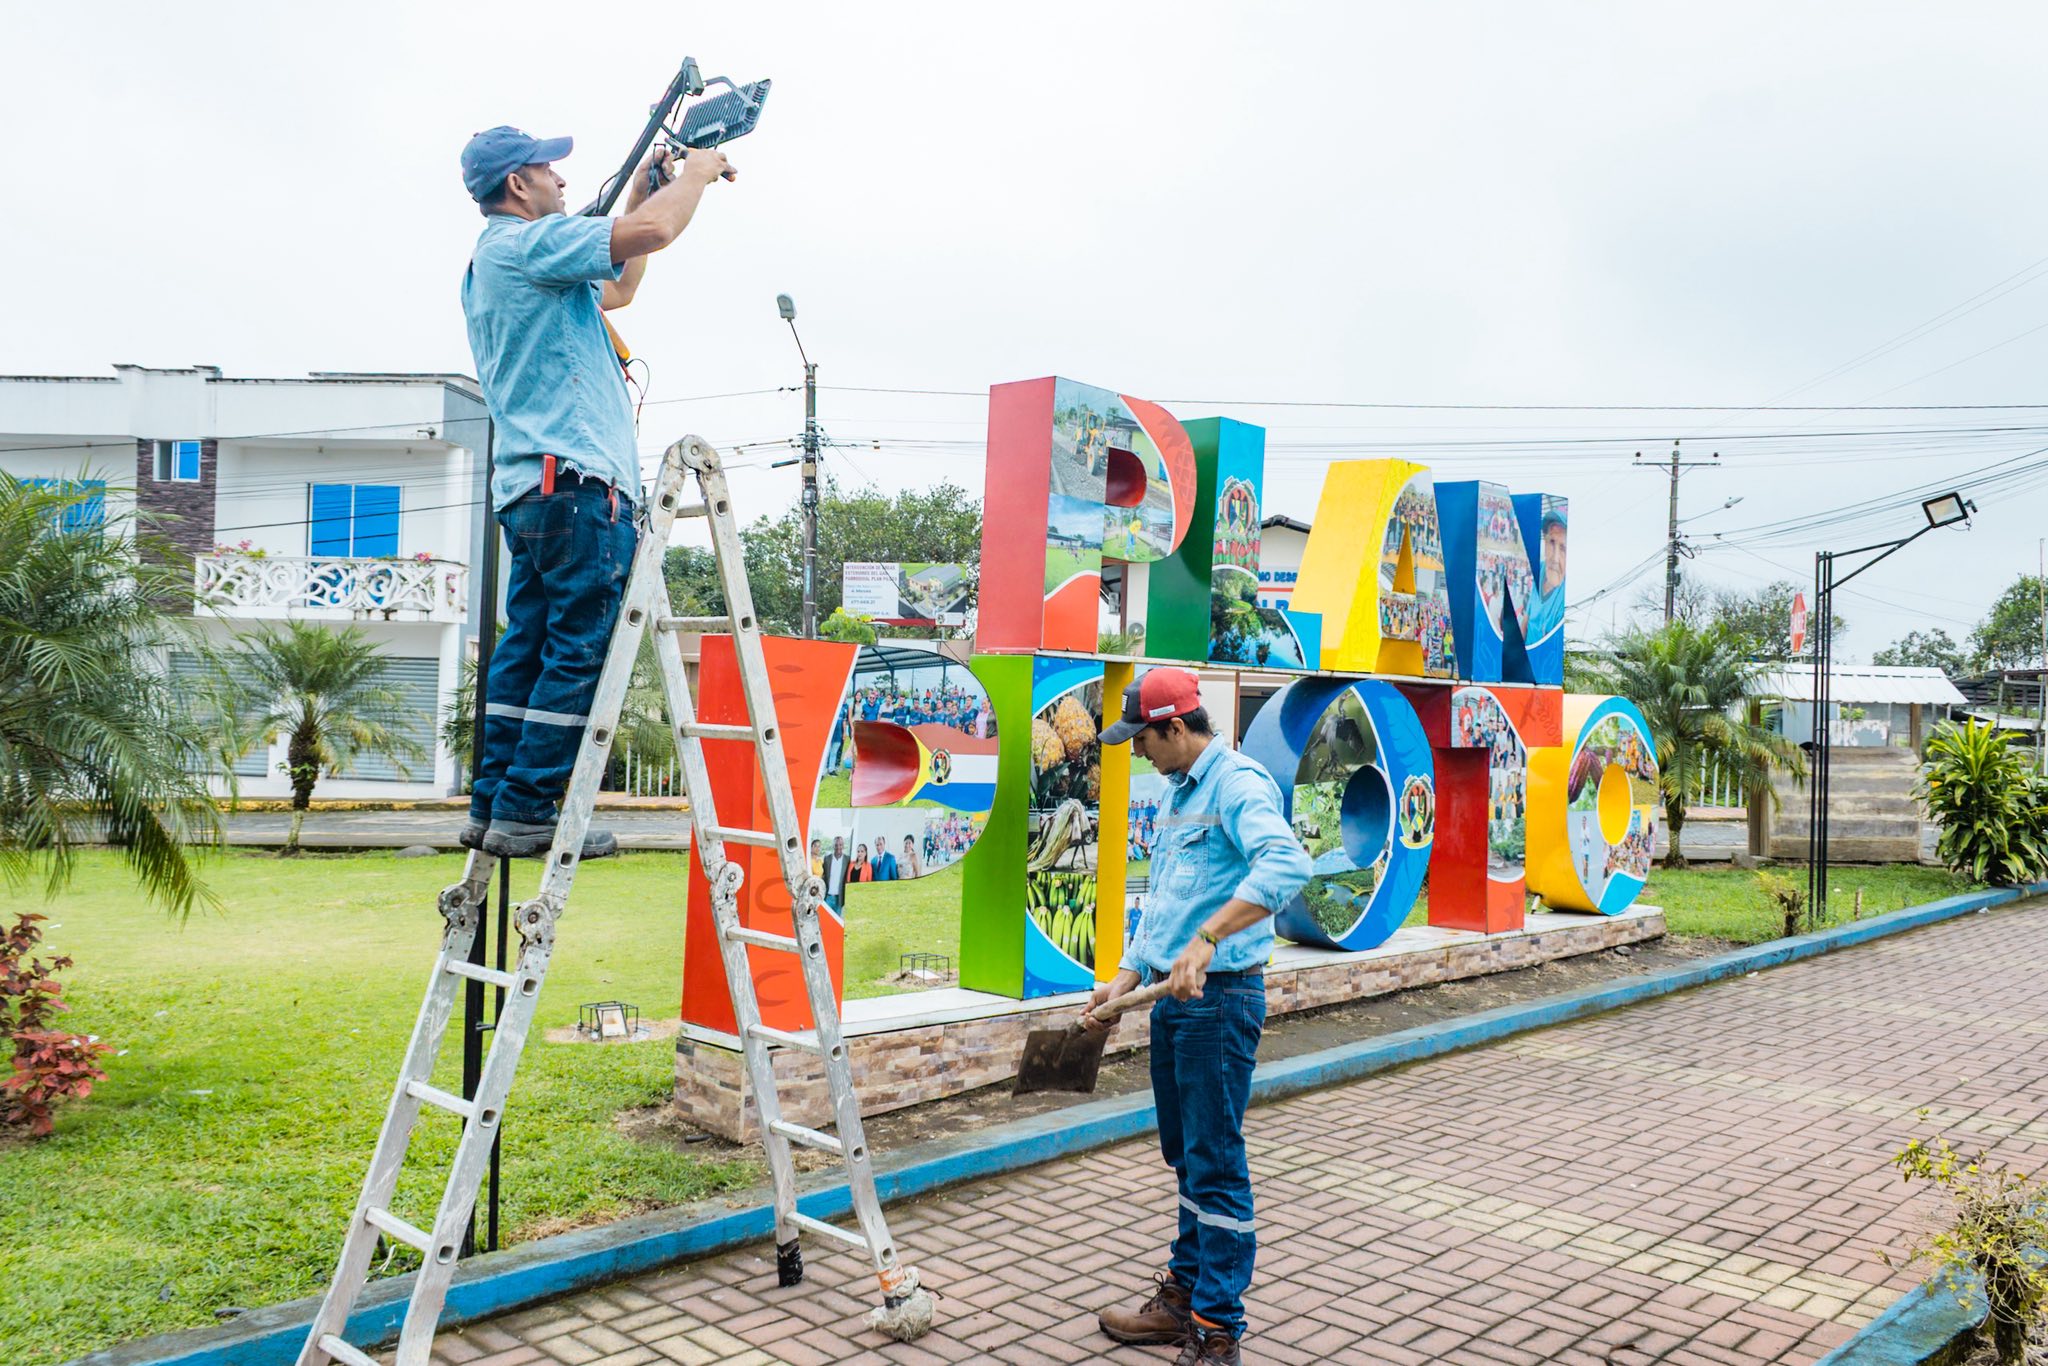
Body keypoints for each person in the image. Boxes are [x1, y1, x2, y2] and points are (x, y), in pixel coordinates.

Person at [457, 124, 735, 858]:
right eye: (549, 170)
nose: (561, 181)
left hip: (534, 490)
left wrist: (644, 187)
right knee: (580, 649)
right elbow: (655, 233)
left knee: (528, 649)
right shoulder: (529, 243)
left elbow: (621, 285)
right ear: (517, 184)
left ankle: (493, 805)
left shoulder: (497, 260)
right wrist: (697, 174)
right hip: (578, 487)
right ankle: (528, 807)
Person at [1085, 667, 1310, 1365]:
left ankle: (1217, 1328)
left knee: (1215, 1162)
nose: (1137, 751)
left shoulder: (1237, 785)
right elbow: (1166, 901)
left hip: (1220, 1002)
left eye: (1142, 738)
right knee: (1186, 1156)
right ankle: (1185, 1292)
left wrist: (1209, 939)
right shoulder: (1178, 792)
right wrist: (1126, 974)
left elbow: (1287, 864)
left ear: (1176, 727)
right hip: (1172, 1003)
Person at [821, 837, 851, 913]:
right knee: (825, 918)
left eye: (840, 845)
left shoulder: (847, 859)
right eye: (836, 845)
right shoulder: (827, 859)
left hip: (839, 897)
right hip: (828, 896)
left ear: (843, 846)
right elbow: (823, 875)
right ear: (833, 846)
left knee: (837, 918)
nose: (838, 847)